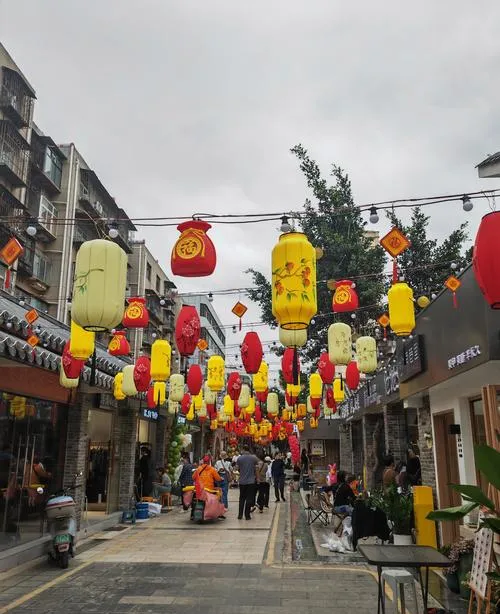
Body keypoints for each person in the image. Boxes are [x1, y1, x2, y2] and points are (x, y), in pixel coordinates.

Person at [236, 445, 259, 520]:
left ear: (243, 449)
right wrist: (258, 478)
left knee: (242, 498)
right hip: (251, 482)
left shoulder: (239, 458)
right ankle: (247, 515)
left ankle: (240, 515)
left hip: (242, 481)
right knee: (249, 498)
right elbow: (256, 469)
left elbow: (237, 468)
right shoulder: (254, 458)